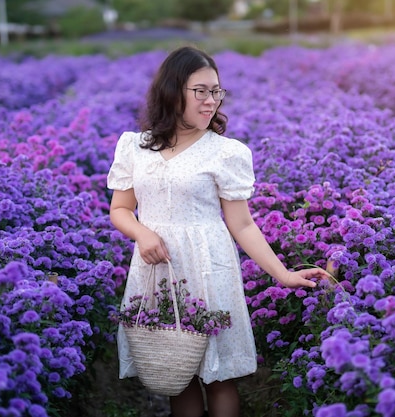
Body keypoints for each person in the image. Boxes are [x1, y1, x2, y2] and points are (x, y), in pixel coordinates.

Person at [106, 45, 332, 417]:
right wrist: (143, 233)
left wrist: (284, 275)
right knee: (177, 373)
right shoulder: (136, 147)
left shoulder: (225, 152)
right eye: (201, 91)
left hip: (210, 269)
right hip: (159, 271)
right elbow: (120, 209)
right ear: (173, 91)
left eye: (216, 91)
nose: (211, 100)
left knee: (218, 376)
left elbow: (241, 223)